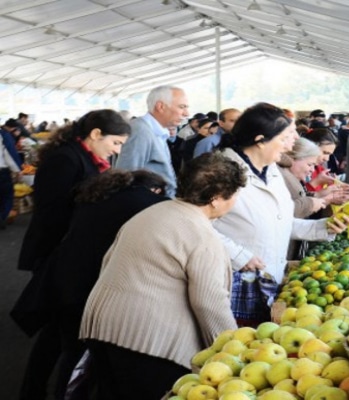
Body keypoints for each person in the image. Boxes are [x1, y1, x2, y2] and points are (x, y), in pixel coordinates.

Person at [79, 153, 244, 399]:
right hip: (147, 341)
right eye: (235, 194)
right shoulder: (202, 234)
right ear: (217, 199)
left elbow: (110, 261)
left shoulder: (152, 212)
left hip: (103, 326)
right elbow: (209, 302)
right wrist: (232, 352)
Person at [14, 109, 131, 400]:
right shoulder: (64, 159)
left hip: (69, 254)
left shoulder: (85, 157)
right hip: (58, 253)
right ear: (95, 135)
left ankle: (34, 389)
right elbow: (53, 213)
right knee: (64, 331)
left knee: (56, 331)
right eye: (115, 143)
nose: (117, 150)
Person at [213, 103, 349, 326]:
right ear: (260, 140)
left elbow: (280, 222)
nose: (292, 143)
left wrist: (323, 227)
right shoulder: (220, 172)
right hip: (233, 282)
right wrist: (238, 255)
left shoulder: (272, 171)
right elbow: (195, 226)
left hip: (267, 280)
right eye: (286, 136)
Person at [48, 169, 168, 399]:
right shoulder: (144, 203)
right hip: (90, 288)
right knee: (83, 356)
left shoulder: (99, 197)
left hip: (64, 280)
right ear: (155, 190)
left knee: (69, 352)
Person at [115, 85, 189, 198]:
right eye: (181, 107)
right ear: (160, 106)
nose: (186, 113)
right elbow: (126, 176)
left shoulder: (157, 131)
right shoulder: (140, 131)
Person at [0, 120, 22, 229]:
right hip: (1, 172)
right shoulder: (3, 136)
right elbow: (9, 154)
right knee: (6, 195)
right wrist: (17, 170)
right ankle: (2, 218)